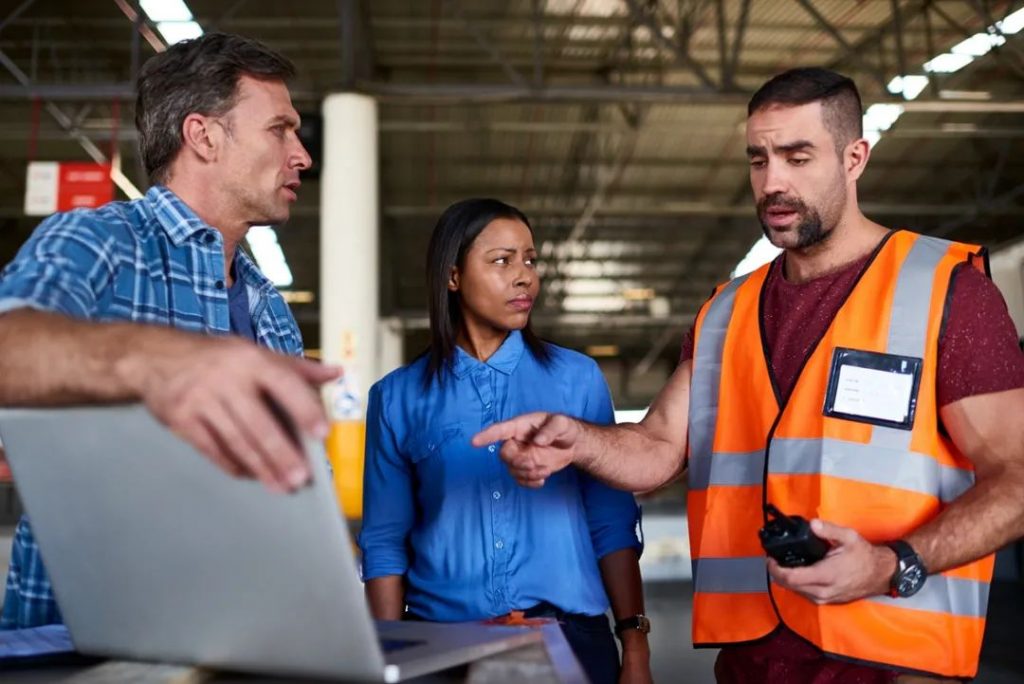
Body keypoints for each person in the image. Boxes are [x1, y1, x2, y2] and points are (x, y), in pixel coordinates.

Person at [473, 68, 1024, 683]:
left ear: (854, 157)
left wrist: (895, 563)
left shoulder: (945, 290)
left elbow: (1017, 477)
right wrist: (579, 441)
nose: (773, 182)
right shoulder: (724, 313)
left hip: (892, 660)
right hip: (752, 660)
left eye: (796, 156)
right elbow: (658, 447)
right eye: (758, 160)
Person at [0, 32, 338, 629]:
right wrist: (159, 363)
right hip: (89, 649)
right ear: (203, 136)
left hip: (244, 634)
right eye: (279, 129)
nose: (302, 154)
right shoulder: (97, 241)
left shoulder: (269, 307)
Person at [358, 199, 651, 684]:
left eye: (530, 260)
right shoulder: (397, 397)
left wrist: (634, 644)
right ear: (453, 277)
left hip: (569, 642)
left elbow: (611, 521)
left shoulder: (576, 379)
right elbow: (385, 543)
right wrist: (391, 660)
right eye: (502, 261)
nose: (524, 277)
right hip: (442, 648)